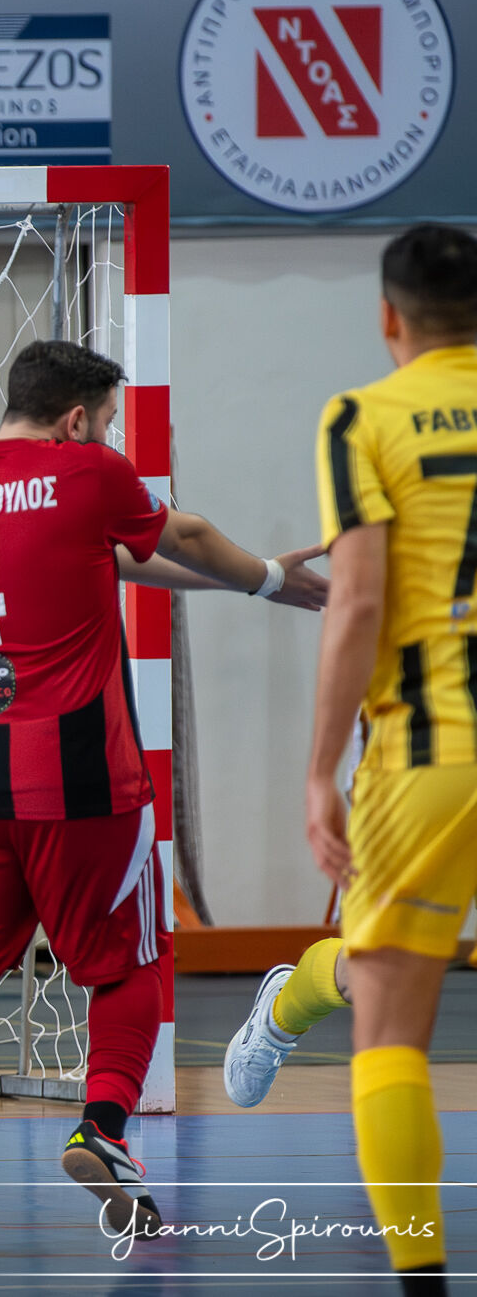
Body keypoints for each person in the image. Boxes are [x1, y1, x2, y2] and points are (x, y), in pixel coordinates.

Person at [0, 339, 327, 1258]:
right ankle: (102, 1123)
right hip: (81, 783)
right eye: (105, 419)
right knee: (132, 962)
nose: (108, 434)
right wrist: (269, 577)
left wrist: (249, 586)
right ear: (77, 420)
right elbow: (174, 535)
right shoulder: (89, 472)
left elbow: (115, 563)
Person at [230, 224, 477, 1297]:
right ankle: (286, 1003)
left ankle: (420, 1283)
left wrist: (313, 768)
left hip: (428, 748)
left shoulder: (363, 418)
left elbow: (362, 596)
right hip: (431, 736)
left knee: (390, 1023)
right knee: (378, 976)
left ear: (387, 318)